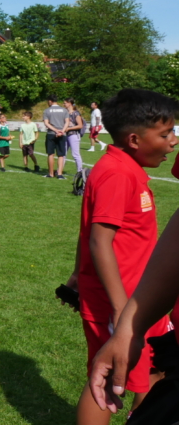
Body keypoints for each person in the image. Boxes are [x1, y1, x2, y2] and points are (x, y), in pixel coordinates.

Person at [62, 89, 178, 424]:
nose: (173, 142)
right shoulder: (117, 173)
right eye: (165, 134)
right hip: (121, 300)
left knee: (153, 368)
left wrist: (76, 273)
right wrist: (119, 308)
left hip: (139, 297)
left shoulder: (127, 168)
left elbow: (89, 234)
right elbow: (99, 241)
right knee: (109, 379)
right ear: (134, 139)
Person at [43, 94, 69, 180]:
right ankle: (60, 174)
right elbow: (67, 122)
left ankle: (51, 174)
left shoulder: (47, 110)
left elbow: (46, 123)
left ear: (50, 101)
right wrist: (62, 131)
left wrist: (55, 130)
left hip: (51, 133)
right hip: (62, 134)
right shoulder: (64, 110)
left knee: (51, 154)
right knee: (61, 155)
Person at [65, 97, 86, 173]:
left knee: (75, 154)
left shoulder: (76, 113)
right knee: (63, 154)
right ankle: (59, 171)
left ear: (69, 103)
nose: (64, 104)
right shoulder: (65, 113)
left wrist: (69, 128)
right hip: (65, 135)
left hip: (73, 135)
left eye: (65, 103)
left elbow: (80, 125)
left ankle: (79, 171)